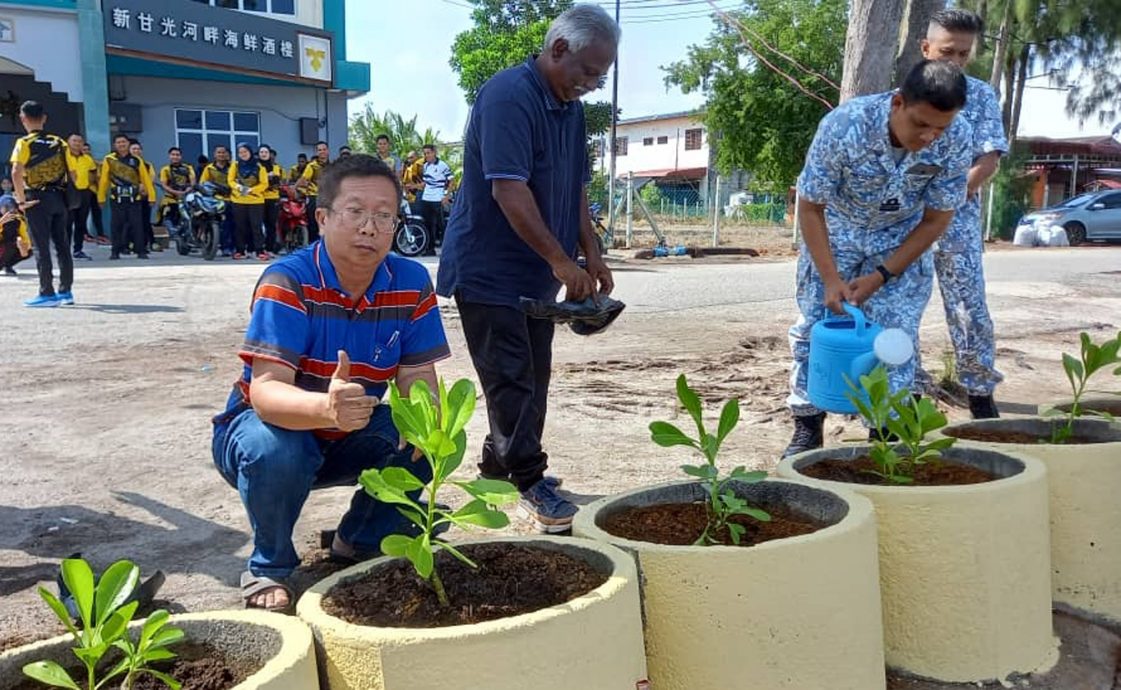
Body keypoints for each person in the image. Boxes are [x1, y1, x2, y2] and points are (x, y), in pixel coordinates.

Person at [211, 154, 451, 611]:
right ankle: (268, 566)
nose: (370, 227)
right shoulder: (288, 280)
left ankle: (357, 540)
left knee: (428, 437)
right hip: (265, 431)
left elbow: (418, 378)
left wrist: (429, 420)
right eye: (355, 212)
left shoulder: (412, 280)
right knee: (276, 448)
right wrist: (325, 409)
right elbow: (265, 392)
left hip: (350, 428)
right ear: (322, 218)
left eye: (384, 216)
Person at [436, 5, 618, 533]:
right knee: (511, 379)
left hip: (538, 272)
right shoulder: (506, 96)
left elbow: (577, 187)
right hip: (490, 270)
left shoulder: (571, 108)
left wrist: (592, 250)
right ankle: (529, 478)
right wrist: (561, 260)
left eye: (599, 77)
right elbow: (507, 188)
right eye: (586, 72)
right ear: (558, 49)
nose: (590, 84)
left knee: (533, 377)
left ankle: (499, 465)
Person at [782, 59, 973, 458]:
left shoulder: (956, 139)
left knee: (895, 341)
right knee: (816, 329)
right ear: (898, 103)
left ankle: (883, 440)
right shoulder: (845, 125)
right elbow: (811, 206)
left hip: (899, 243)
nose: (931, 137)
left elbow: (937, 218)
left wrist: (883, 274)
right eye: (921, 124)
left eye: (941, 127)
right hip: (834, 236)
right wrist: (831, 278)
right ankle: (807, 427)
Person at [912, 9, 1009, 419]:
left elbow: (988, 161)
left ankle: (980, 395)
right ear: (926, 47)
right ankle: (908, 393)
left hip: (958, 222)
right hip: (908, 221)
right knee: (901, 308)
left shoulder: (981, 95)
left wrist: (948, 198)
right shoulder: (908, 91)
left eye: (964, 55)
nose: (955, 62)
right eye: (947, 52)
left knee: (970, 309)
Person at [9, 100, 76, 307]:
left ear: (23, 118)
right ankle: (66, 291)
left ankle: (46, 293)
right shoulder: (60, 142)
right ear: (44, 118)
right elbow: (72, 172)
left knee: (41, 246)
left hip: (36, 198)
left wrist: (21, 201)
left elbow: (16, 173)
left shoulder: (24, 143)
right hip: (59, 198)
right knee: (63, 245)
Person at [97, 133, 155, 261]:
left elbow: (145, 179)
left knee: (137, 225)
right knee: (116, 225)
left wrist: (151, 196)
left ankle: (140, 251)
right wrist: (101, 198)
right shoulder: (109, 159)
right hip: (116, 198)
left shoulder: (136, 160)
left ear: (128, 143)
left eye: (123, 142)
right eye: (118, 142)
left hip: (134, 198)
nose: (121, 145)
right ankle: (115, 251)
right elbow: (104, 180)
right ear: (114, 145)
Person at [228, 143, 269, 261]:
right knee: (240, 226)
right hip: (238, 199)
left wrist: (252, 190)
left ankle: (259, 250)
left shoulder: (259, 167)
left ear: (250, 152)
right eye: (240, 152)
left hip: (256, 200)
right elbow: (230, 180)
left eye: (245, 152)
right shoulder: (235, 166)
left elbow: (264, 183)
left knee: (256, 226)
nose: (243, 154)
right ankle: (240, 250)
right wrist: (239, 187)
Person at [417, 144, 453, 253]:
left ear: (434, 153)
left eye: (428, 153)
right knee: (428, 224)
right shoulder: (425, 166)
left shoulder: (443, 165)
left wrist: (446, 196)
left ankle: (449, 248)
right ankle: (430, 249)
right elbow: (426, 183)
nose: (426, 155)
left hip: (438, 198)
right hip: (426, 197)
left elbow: (451, 181)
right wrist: (413, 186)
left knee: (441, 225)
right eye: (425, 153)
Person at [66, 134, 97, 261]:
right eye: (74, 140)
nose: (77, 143)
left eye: (79, 141)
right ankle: (65, 251)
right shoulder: (64, 157)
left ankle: (78, 250)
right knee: (67, 223)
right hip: (68, 192)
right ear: (68, 142)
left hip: (84, 192)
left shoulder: (87, 159)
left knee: (81, 223)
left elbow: (93, 172)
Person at [200, 145, 235, 256]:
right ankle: (219, 246)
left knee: (231, 224)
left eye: (223, 152)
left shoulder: (233, 167)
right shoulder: (209, 168)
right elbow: (203, 184)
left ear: (227, 154)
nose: (221, 155)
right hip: (215, 200)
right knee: (219, 224)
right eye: (218, 152)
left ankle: (231, 247)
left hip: (232, 199)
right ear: (214, 155)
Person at [157, 146, 196, 236]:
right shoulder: (165, 169)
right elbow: (164, 185)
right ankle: (173, 232)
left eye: (177, 155)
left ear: (181, 156)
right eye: (173, 155)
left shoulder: (188, 168)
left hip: (186, 198)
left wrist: (187, 190)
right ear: (169, 156)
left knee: (190, 217)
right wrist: (176, 192)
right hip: (170, 198)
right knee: (166, 214)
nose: (175, 157)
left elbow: (193, 182)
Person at [295, 141, 329, 242]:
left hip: (328, 198)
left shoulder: (332, 166)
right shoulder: (311, 166)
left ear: (328, 151)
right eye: (319, 150)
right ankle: (313, 247)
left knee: (328, 223)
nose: (322, 152)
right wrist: (298, 189)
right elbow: (303, 180)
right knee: (313, 223)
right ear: (316, 152)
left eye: (324, 149)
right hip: (314, 197)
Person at [130, 141, 156, 253]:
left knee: (144, 221)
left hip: (144, 196)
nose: (136, 151)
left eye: (138, 149)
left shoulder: (148, 165)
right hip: (130, 196)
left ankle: (144, 245)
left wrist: (144, 188)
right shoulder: (126, 164)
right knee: (130, 222)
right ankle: (130, 243)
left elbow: (151, 179)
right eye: (133, 149)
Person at [82, 142, 109, 246]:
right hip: (83, 191)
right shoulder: (78, 162)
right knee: (82, 214)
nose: (86, 151)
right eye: (84, 150)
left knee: (97, 213)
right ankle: (84, 234)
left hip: (94, 191)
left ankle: (101, 234)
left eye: (87, 149)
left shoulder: (96, 163)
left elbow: (100, 177)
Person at [259, 145, 283, 254]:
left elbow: (275, 182)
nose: (264, 154)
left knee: (271, 225)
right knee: (258, 225)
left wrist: (266, 179)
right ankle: (258, 249)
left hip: (273, 198)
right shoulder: (256, 166)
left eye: (266, 152)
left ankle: (270, 249)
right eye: (262, 152)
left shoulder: (276, 167)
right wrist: (268, 178)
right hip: (259, 199)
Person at [1, 194, 33, 276]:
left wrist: (25, 249)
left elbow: (24, 235)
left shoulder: (18, 220)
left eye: (11, 207)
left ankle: (7, 266)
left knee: (28, 250)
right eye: (5, 207)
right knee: (8, 246)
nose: (8, 210)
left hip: (9, 246)